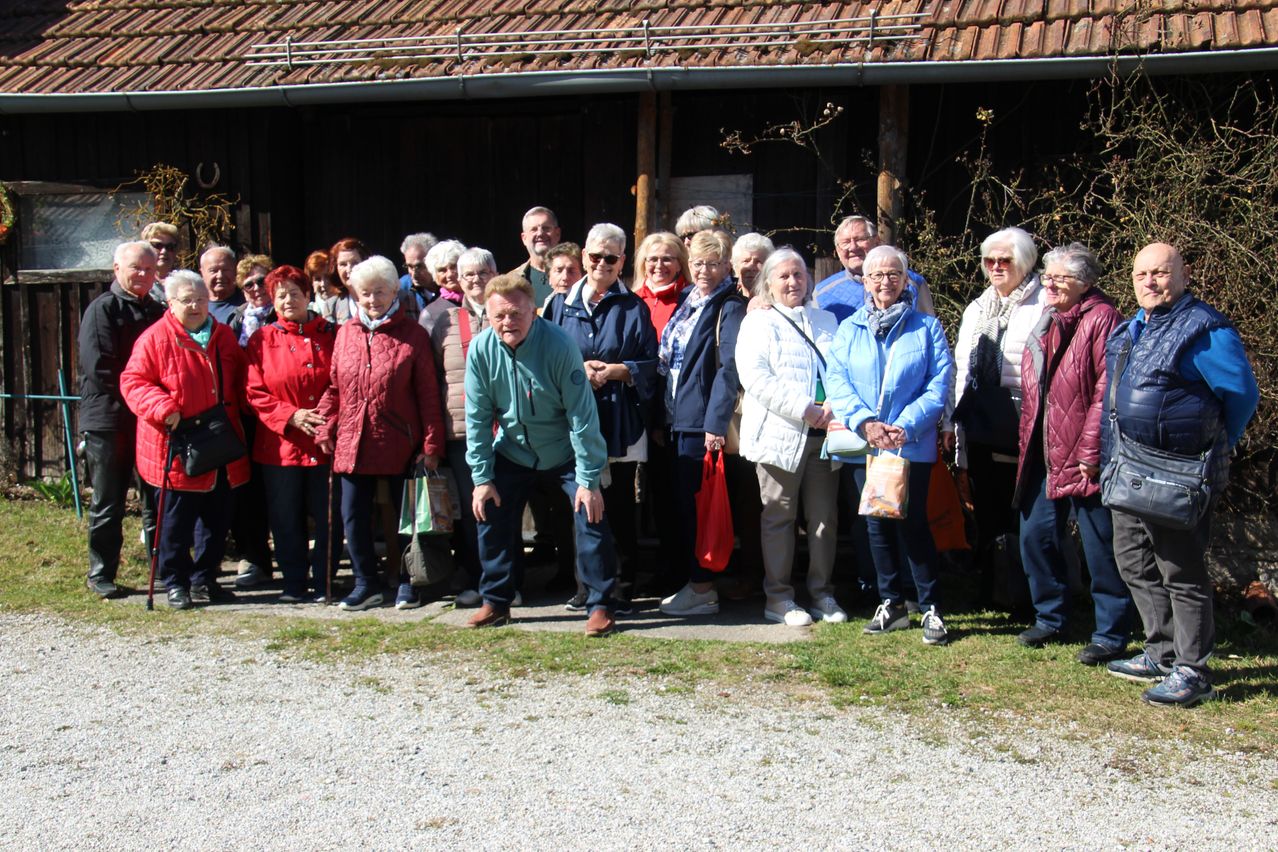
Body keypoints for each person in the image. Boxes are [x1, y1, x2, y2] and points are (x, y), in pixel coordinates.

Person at [1102, 243, 1258, 707]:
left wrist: (1211, 445)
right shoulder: (1134, 327)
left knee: (1181, 571)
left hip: (1179, 475)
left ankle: (1193, 670)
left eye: (1160, 273)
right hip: (1129, 466)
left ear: (1182, 275)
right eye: (1141, 274)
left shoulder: (1205, 331)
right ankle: (1161, 651)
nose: (1149, 282)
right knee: (1132, 559)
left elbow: (1241, 396)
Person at [465, 274, 618, 637]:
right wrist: (482, 478)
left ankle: (601, 605)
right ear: (487, 315)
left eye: (516, 313)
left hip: (564, 449)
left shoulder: (559, 345)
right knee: (489, 510)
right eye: (499, 315)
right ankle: (497, 601)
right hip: (514, 450)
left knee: (590, 513)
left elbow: (582, 417)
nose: (508, 322)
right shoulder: (481, 350)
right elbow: (477, 417)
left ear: (532, 311)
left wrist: (588, 480)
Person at [826, 245, 954, 645]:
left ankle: (930, 606)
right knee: (876, 524)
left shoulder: (927, 327)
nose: (885, 281)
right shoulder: (850, 329)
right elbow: (837, 379)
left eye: (893, 274)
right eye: (876, 275)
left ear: (906, 280)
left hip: (908, 444)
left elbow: (939, 384)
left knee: (914, 523)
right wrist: (865, 423)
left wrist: (905, 426)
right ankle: (891, 602)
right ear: (865, 281)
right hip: (868, 442)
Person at [1013, 243, 1134, 662]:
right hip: (1047, 449)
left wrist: (1090, 450)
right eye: (1047, 276)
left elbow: (1107, 390)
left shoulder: (1103, 318)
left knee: (1101, 545)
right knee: (1035, 534)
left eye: (1061, 278)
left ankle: (1111, 633)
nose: (1050, 284)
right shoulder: (1048, 319)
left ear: (1086, 283)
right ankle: (1050, 617)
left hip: (1087, 454)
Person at [315, 257, 446, 612]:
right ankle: (364, 584)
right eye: (365, 293)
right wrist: (325, 423)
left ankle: (407, 583)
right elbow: (334, 387)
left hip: (400, 441)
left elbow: (428, 394)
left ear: (394, 292)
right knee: (353, 516)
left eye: (380, 292)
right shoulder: (346, 333)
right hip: (353, 440)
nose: (372, 299)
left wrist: (432, 443)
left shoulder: (413, 334)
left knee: (407, 520)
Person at [120, 271, 249, 609]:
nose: (195, 306)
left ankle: (204, 579)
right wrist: (162, 407)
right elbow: (133, 382)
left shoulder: (223, 336)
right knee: (175, 524)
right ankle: (175, 582)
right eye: (186, 300)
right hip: (177, 444)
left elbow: (240, 378)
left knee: (217, 519)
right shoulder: (154, 338)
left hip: (220, 442)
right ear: (171, 302)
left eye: (201, 300)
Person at [546, 223, 657, 613]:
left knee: (620, 507)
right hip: (574, 420)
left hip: (619, 415)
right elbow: (547, 357)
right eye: (596, 256)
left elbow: (650, 363)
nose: (602, 264)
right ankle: (586, 586)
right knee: (580, 502)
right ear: (584, 258)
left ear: (622, 261)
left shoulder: (634, 307)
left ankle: (623, 587)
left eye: (612, 258)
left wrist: (613, 370)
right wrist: (579, 369)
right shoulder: (560, 305)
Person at [735, 248, 843, 626]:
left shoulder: (827, 319)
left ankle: (822, 594)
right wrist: (804, 408)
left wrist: (834, 405)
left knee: (824, 518)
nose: (793, 282)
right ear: (769, 283)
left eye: (798, 274)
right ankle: (779, 598)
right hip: (780, 434)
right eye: (783, 276)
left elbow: (843, 368)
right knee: (779, 516)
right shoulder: (758, 323)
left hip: (824, 435)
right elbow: (756, 378)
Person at [952, 226, 1045, 605]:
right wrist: (952, 422)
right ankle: (996, 591)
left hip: (1025, 424)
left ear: (1023, 262)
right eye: (989, 261)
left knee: (1027, 514)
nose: (995, 267)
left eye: (1004, 260)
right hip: (981, 425)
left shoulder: (1043, 305)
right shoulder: (979, 306)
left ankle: (1030, 595)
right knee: (988, 509)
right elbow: (962, 367)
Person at [657, 230, 747, 617]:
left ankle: (703, 587)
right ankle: (691, 582)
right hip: (678, 417)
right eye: (698, 263)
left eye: (713, 263)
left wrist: (715, 424)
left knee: (699, 508)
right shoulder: (688, 299)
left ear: (727, 265)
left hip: (701, 423)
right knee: (681, 505)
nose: (705, 270)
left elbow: (729, 370)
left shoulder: (729, 306)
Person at [245, 265, 338, 603]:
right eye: (280, 295)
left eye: (294, 293)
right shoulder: (261, 340)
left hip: (324, 440)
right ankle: (293, 583)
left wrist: (324, 418)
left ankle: (325, 583)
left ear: (308, 296)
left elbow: (342, 381)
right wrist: (292, 416)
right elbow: (254, 391)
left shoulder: (331, 333)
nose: (288, 301)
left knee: (328, 516)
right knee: (285, 518)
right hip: (280, 444)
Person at [79, 241, 166, 598]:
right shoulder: (103, 310)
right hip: (110, 419)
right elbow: (101, 368)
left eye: (149, 268)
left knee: (156, 499)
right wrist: (145, 400)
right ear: (117, 269)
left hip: (151, 420)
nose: (143, 274)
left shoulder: (160, 311)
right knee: (108, 500)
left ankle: (160, 571)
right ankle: (101, 574)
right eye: (136, 268)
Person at [420, 247, 496, 608]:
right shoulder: (445, 323)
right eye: (468, 275)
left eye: (483, 273)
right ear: (457, 281)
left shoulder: (509, 314)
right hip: (463, 430)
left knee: (505, 506)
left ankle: (507, 578)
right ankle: (481, 578)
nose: (476, 281)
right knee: (472, 508)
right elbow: (433, 379)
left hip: (507, 430)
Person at [812, 215, 935, 323]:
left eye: (860, 239)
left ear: (876, 242)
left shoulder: (913, 282)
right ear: (838, 251)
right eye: (845, 242)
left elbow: (929, 332)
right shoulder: (822, 293)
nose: (853, 247)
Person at [633, 232, 691, 337]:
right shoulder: (633, 300)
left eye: (667, 259)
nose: (659, 265)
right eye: (653, 259)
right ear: (644, 264)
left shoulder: (691, 299)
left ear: (679, 264)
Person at [509, 206, 562, 307]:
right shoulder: (511, 281)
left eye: (546, 228)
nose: (540, 233)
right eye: (534, 229)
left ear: (557, 234)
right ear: (524, 238)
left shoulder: (575, 276)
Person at [230, 254, 274, 346]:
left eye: (261, 281)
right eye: (249, 285)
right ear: (243, 292)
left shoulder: (283, 312)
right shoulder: (238, 318)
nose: (256, 288)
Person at [325, 237, 368, 323]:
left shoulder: (383, 297)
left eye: (355, 263)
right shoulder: (331, 307)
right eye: (343, 264)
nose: (349, 269)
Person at [200, 245, 242, 325]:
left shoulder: (247, 304)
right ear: (202, 273)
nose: (220, 276)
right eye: (213, 271)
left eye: (226, 270)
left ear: (235, 271)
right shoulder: (194, 305)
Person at [140, 222, 179, 304]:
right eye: (157, 245)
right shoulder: (139, 282)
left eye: (170, 247)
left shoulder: (186, 281)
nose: (164, 251)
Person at [400, 232, 440, 307]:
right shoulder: (402, 288)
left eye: (419, 266)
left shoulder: (448, 286)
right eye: (410, 266)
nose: (414, 274)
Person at [731, 232, 775, 299]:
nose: (751, 267)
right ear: (736, 267)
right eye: (746, 261)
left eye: (758, 261)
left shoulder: (776, 301)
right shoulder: (727, 299)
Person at [542, 242, 582, 312]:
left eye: (571, 271)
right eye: (559, 271)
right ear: (549, 278)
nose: (565, 277)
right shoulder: (546, 308)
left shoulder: (591, 307)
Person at [305, 250, 341, 318]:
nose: (323, 284)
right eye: (317, 279)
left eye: (328, 277)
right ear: (311, 282)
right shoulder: (307, 313)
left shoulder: (349, 305)